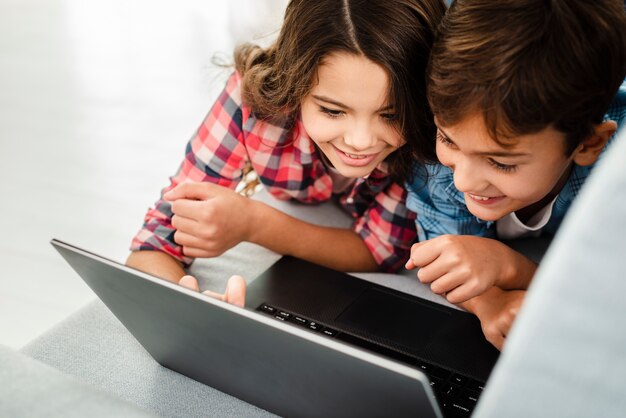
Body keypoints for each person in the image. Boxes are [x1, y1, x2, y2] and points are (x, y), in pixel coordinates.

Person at [126, 0, 447, 305]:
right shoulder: (251, 101)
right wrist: (185, 303)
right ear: (295, 82)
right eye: (333, 111)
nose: (360, 141)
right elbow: (156, 239)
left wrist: (254, 223)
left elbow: (381, 250)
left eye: (391, 115)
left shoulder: (429, 128)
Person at [404, 0, 626, 350]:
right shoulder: (441, 138)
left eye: (502, 163)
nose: (463, 181)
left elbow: (612, 302)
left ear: (588, 144)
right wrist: (488, 302)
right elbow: (445, 253)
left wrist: (512, 268)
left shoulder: (616, 177)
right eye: (447, 139)